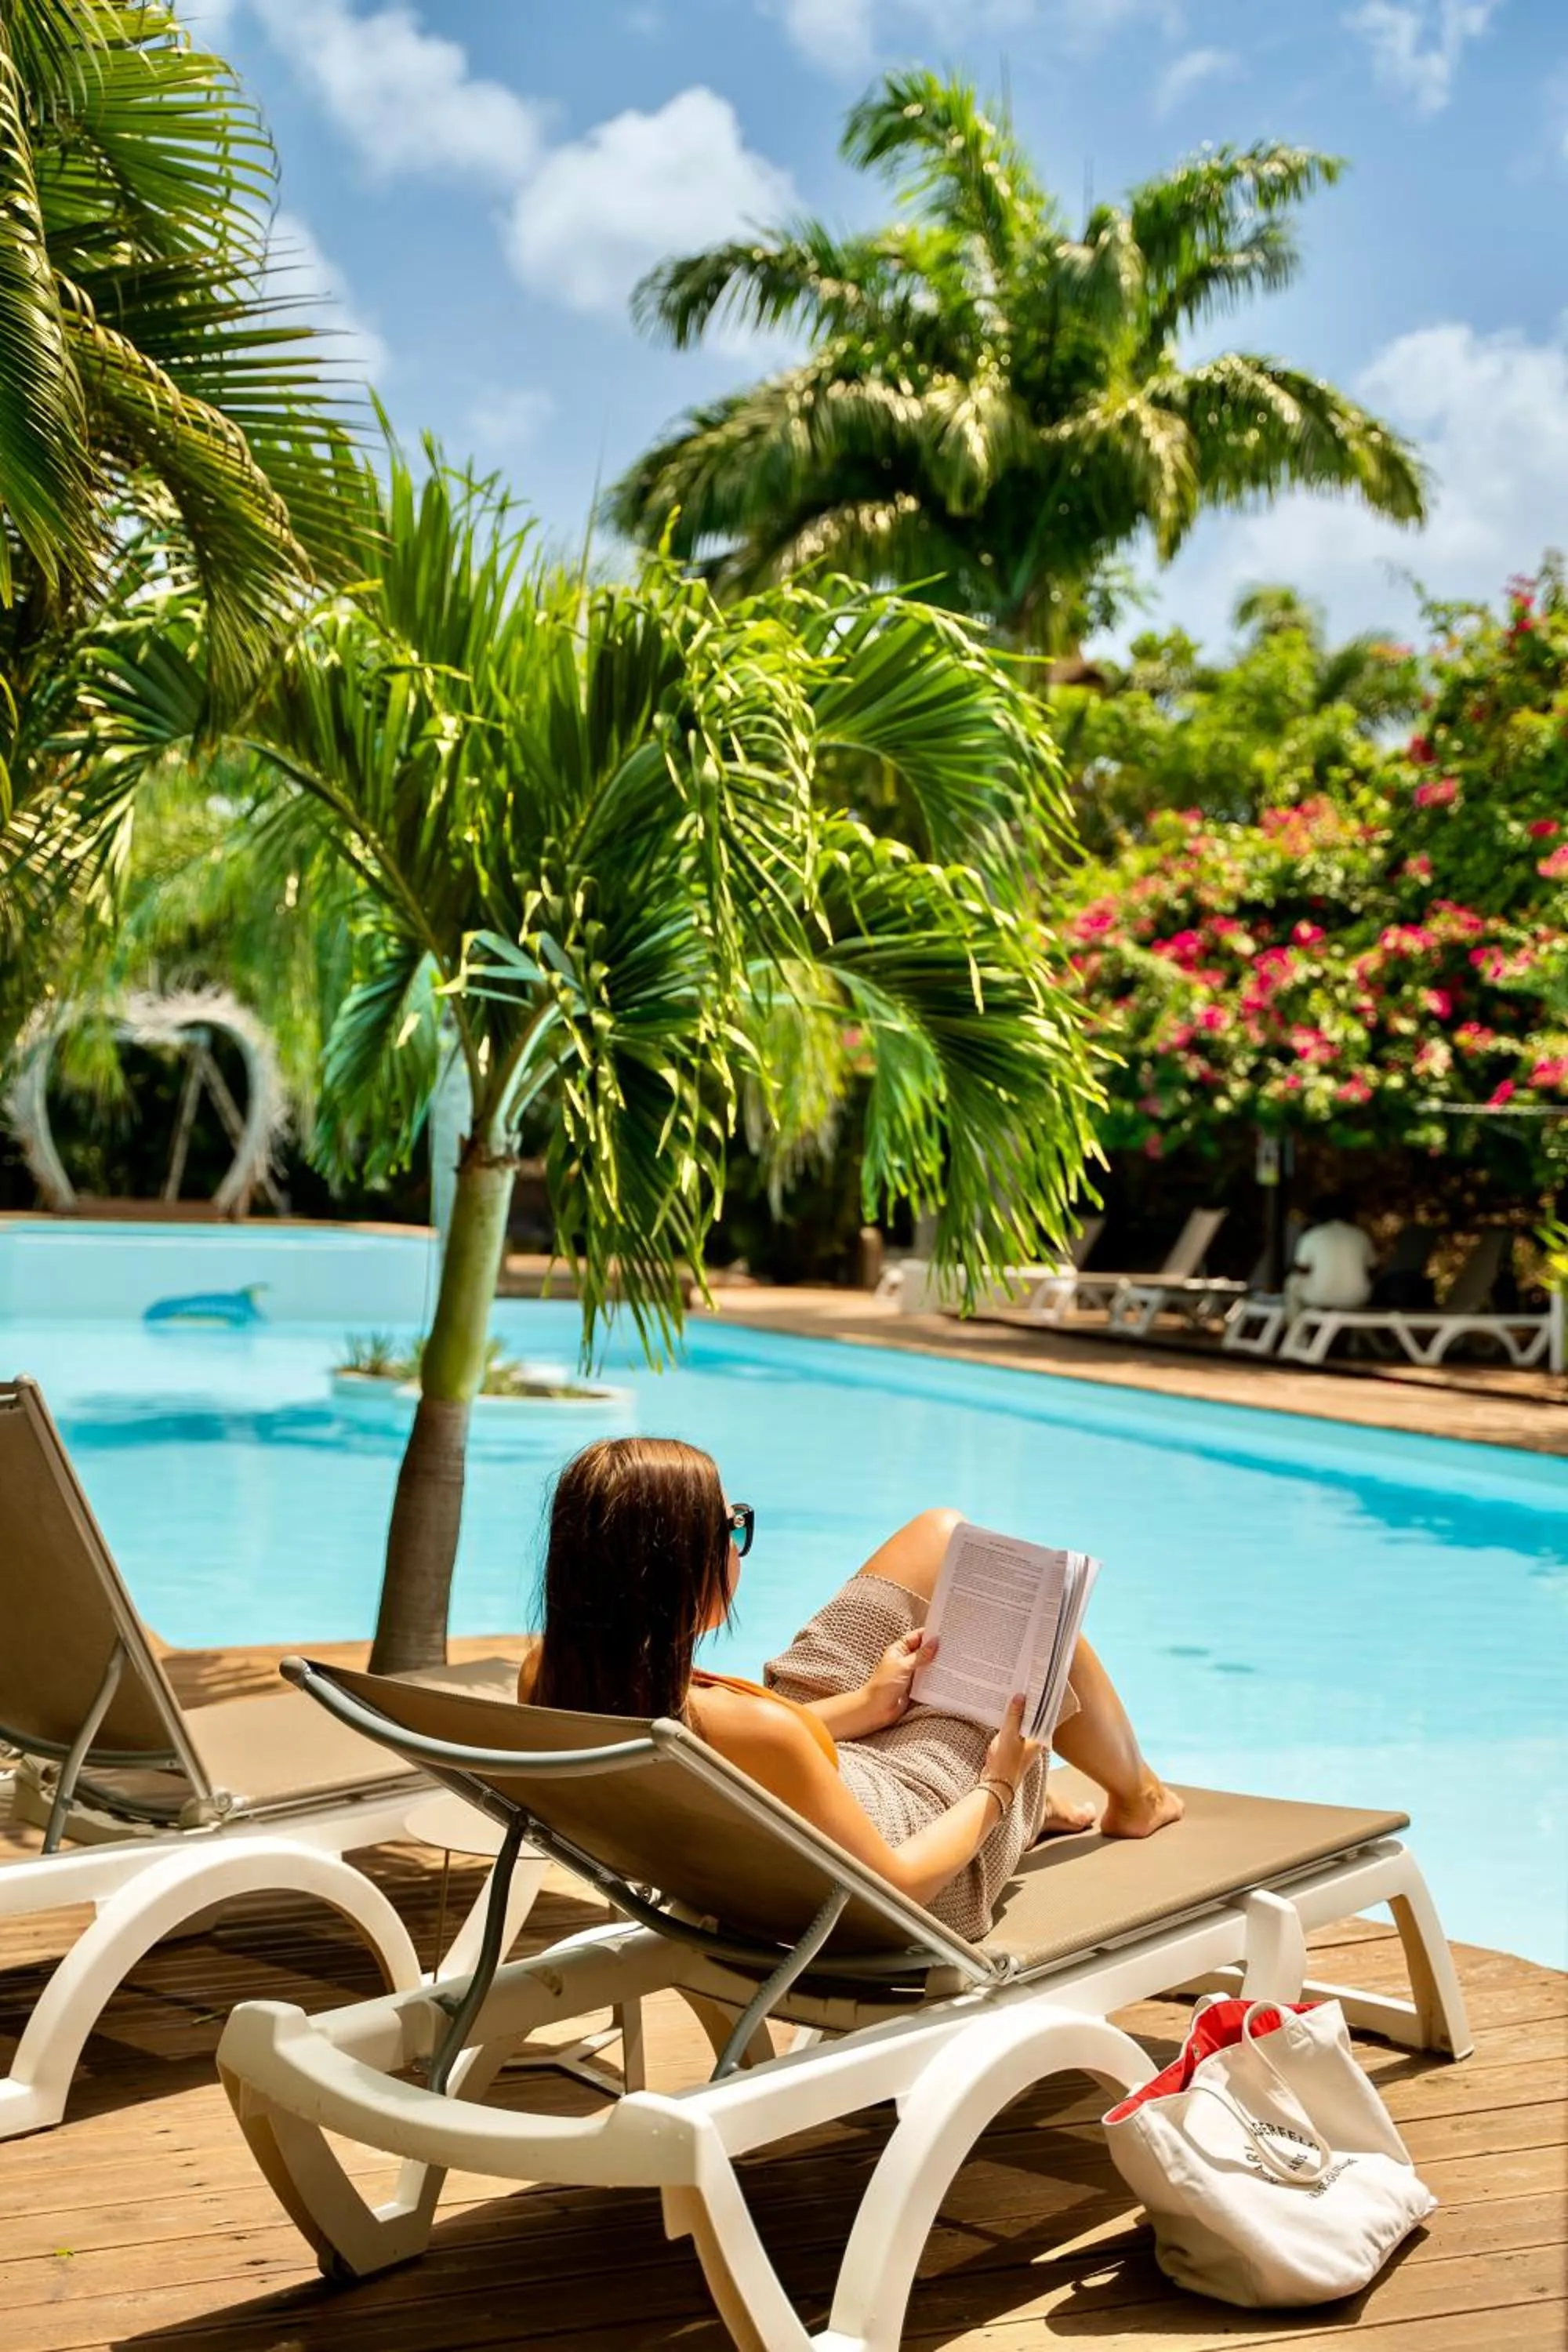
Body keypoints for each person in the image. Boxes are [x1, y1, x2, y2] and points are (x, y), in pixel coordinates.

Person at [517, 1436, 1182, 1942]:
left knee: (939, 1535)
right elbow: (897, 1888)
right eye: (731, 1530)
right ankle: (1134, 1797)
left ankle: (1055, 1803)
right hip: (909, 1864)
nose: (738, 1542)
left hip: (780, 1840)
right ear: (681, 1571)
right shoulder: (754, 1730)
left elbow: (724, 1750)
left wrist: (867, 1704)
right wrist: (1002, 1782)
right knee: (1035, 1619)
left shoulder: (555, 1674)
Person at [1285, 1192, 1377, 1320]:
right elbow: (1372, 1268)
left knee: (1292, 1281)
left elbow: (1302, 1269)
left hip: (1320, 1297)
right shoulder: (1360, 1235)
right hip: (1357, 1297)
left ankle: (1297, 1333)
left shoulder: (1312, 1235)